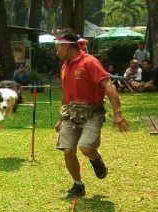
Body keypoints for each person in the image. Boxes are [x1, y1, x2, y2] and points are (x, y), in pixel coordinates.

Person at [54, 32, 128, 198]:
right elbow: (66, 94)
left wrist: (118, 114)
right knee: (67, 151)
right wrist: (60, 118)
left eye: (57, 47)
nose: (56, 51)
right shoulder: (65, 66)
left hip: (92, 112)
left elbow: (109, 85)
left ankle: (95, 159)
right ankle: (78, 185)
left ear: (66, 46)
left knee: (86, 147)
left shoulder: (90, 62)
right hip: (71, 113)